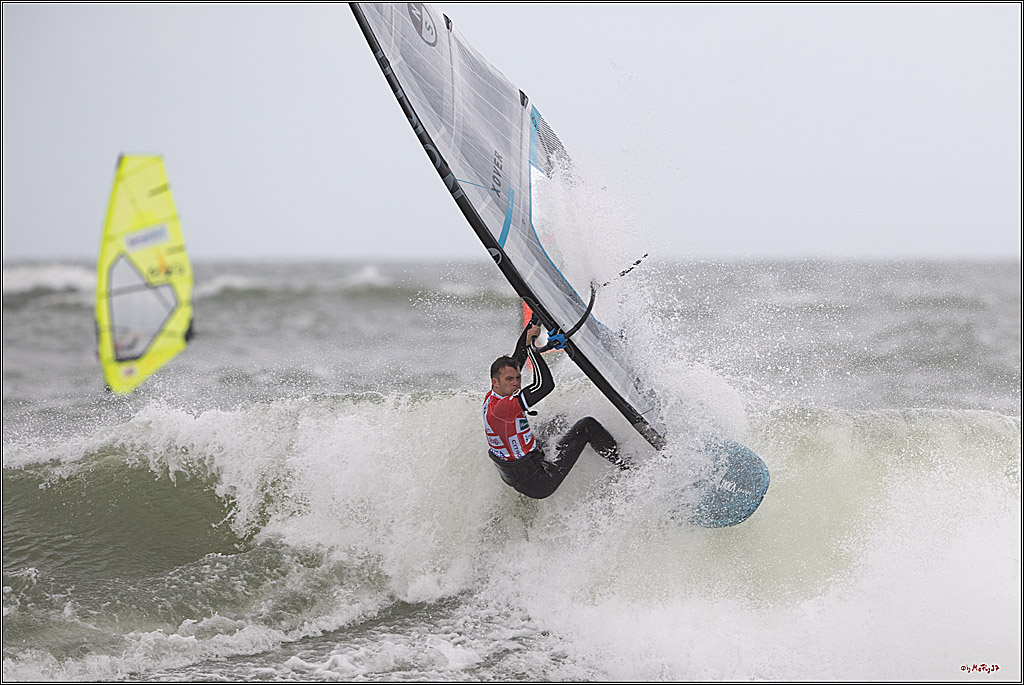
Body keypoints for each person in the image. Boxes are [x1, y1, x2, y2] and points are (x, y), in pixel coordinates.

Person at [482, 318, 628, 499]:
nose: (516, 384)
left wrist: (535, 320)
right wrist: (533, 351)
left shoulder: (494, 395)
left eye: (518, 378)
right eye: (510, 380)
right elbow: (545, 385)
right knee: (587, 426)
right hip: (538, 481)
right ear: (495, 382)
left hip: (524, 464)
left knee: (558, 421)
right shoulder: (503, 408)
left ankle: (599, 450)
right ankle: (627, 467)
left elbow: (517, 357)